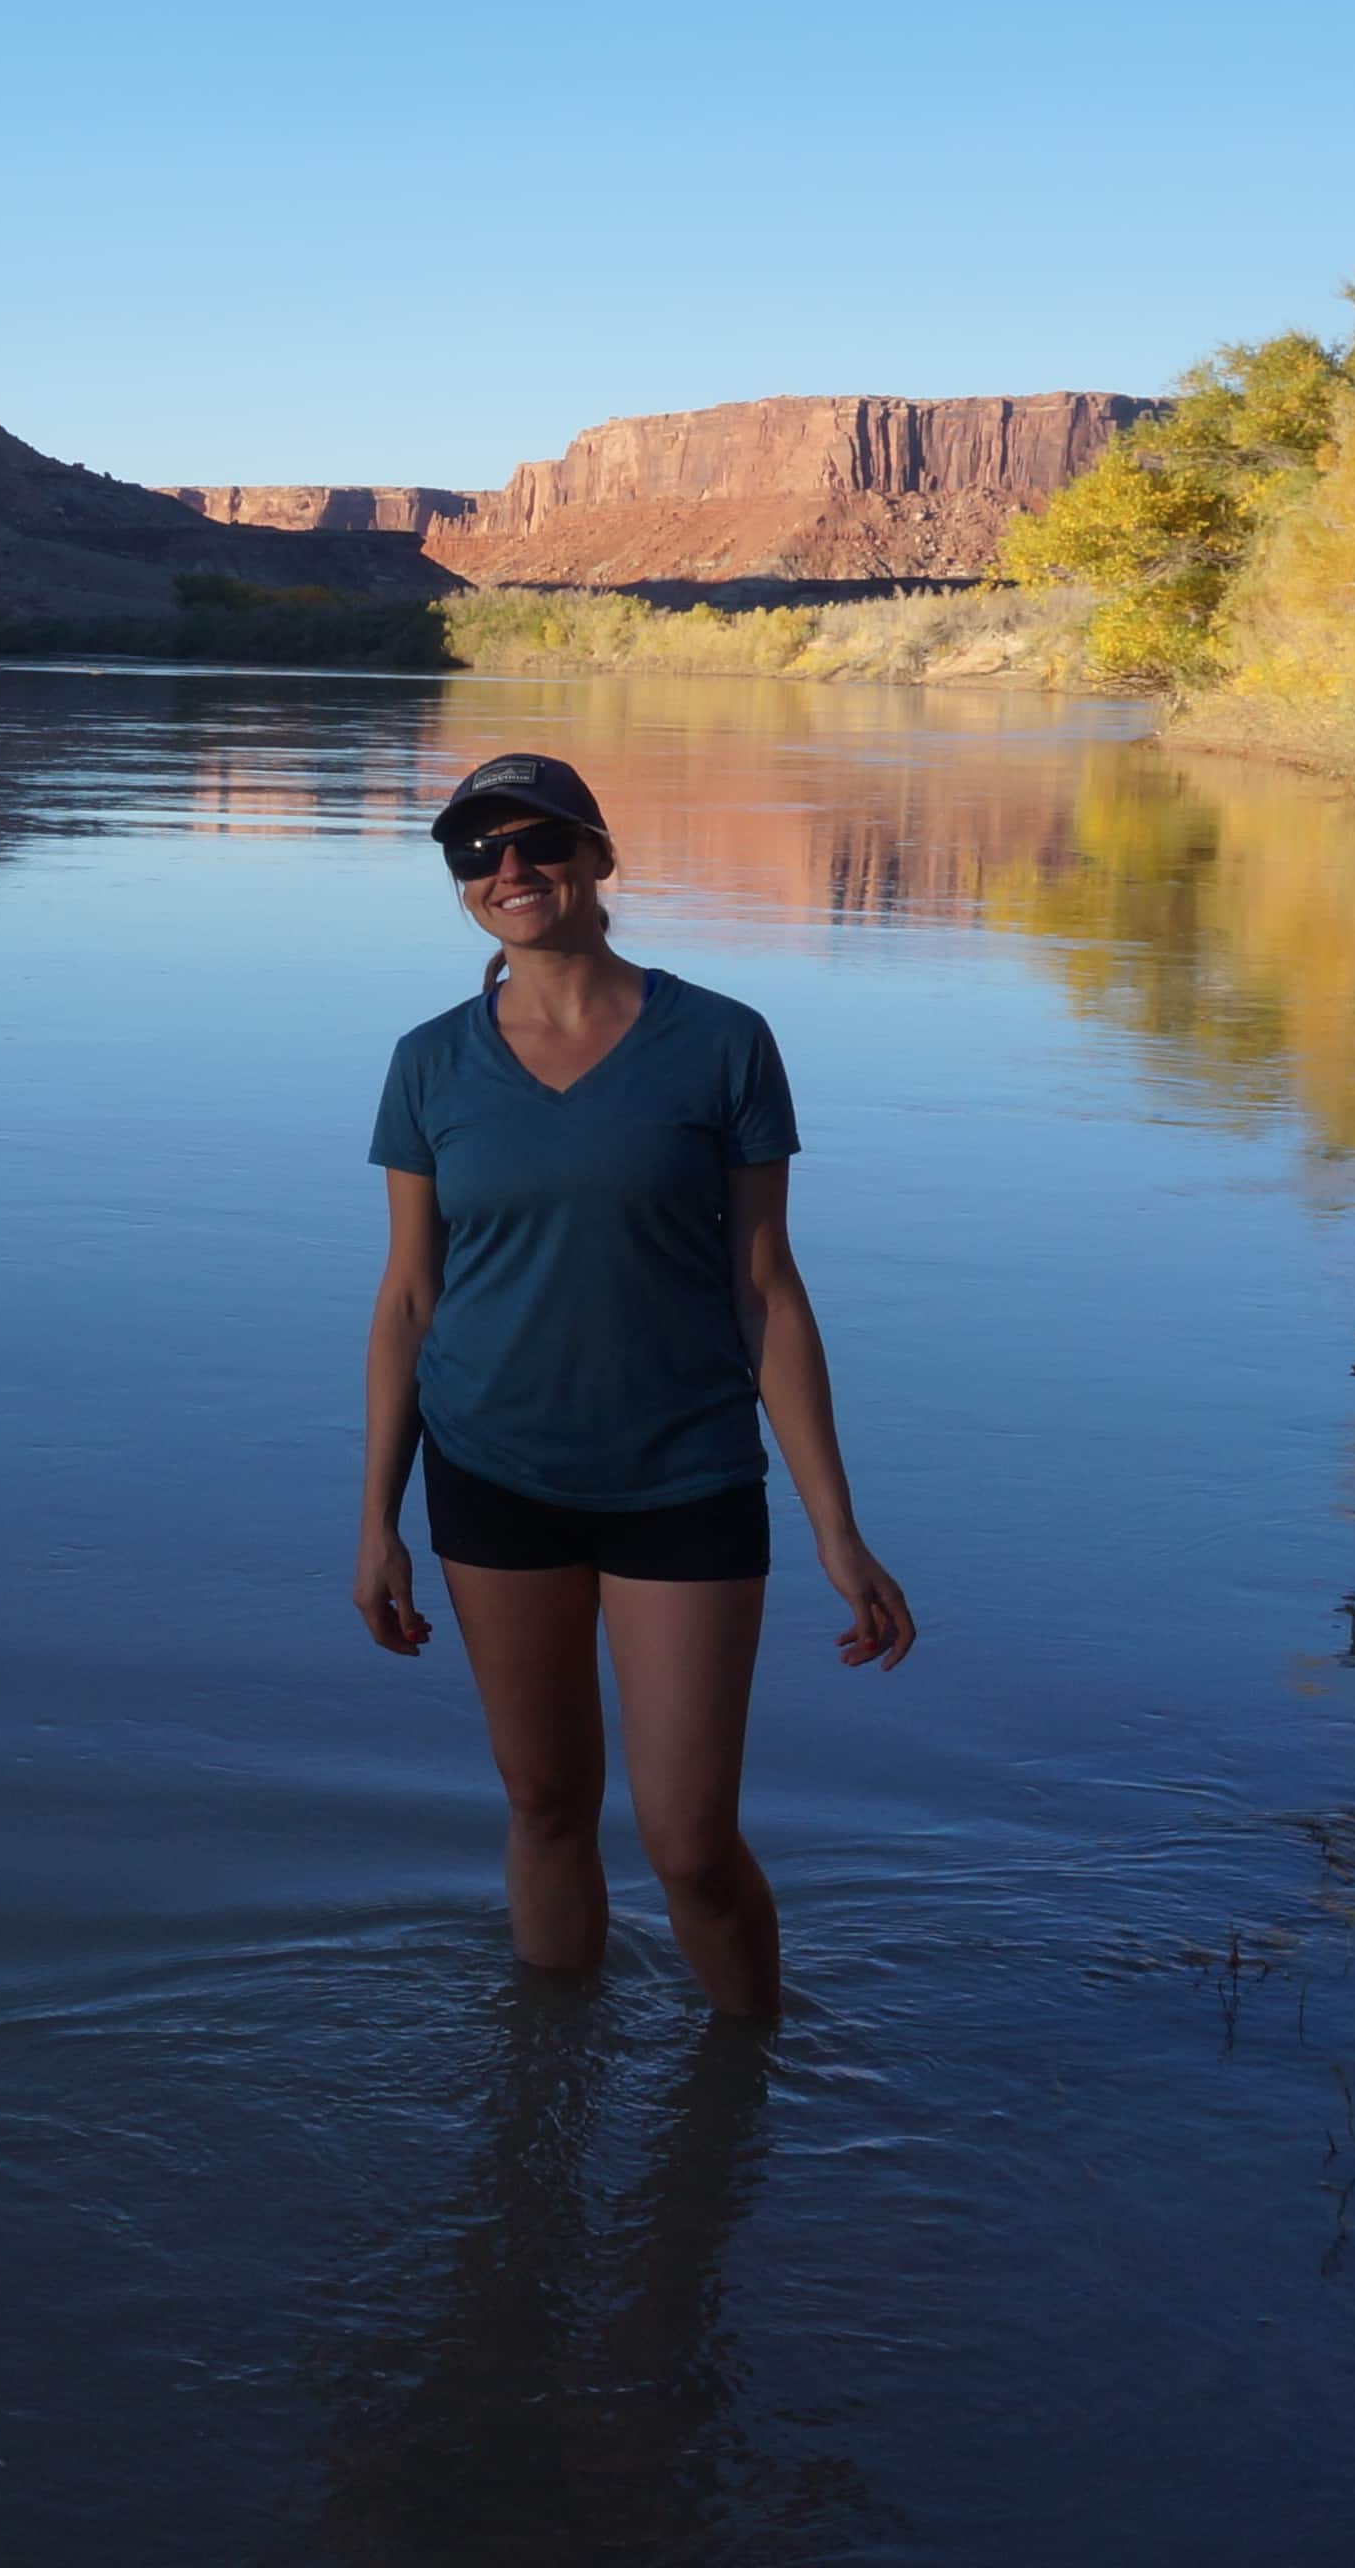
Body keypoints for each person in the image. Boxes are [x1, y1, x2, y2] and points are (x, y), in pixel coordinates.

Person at [347, 750, 914, 2018]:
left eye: (538, 844)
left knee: (688, 1847)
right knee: (545, 1807)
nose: (509, 872)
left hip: (685, 1479)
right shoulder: (429, 1063)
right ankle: (547, 2101)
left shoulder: (720, 1042)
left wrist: (838, 1531)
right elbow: (404, 1301)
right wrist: (377, 1522)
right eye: (476, 853)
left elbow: (766, 1289)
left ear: (598, 857)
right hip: (491, 1478)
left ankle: (749, 2093)